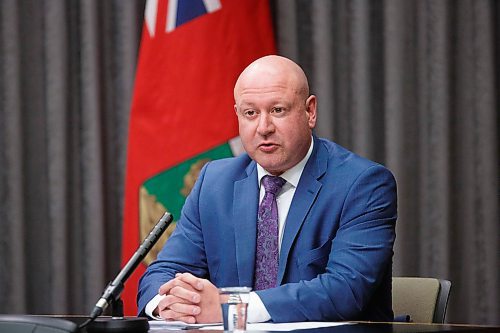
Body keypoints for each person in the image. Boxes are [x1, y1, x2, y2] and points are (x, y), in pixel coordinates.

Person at [137, 55, 397, 323]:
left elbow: (345, 291)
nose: (263, 128)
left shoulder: (363, 184)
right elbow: (164, 271)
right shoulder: (214, 182)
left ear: (310, 111)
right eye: (250, 113)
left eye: (278, 110)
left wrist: (232, 308)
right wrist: (169, 305)